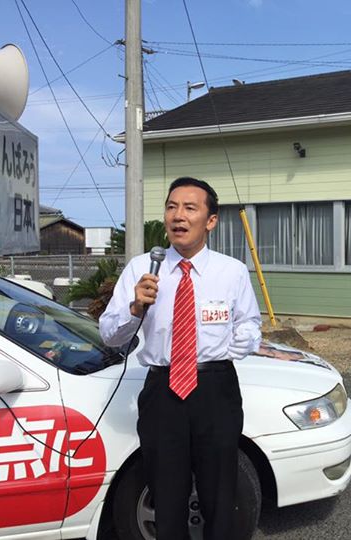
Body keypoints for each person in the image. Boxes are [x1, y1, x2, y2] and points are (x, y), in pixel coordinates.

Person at [99, 177, 261, 540]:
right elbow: (109, 334)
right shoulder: (143, 268)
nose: (178, 216)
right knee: (166, 494)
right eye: (171, 207)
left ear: (211, 220)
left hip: (216, 389)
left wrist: (222, 352)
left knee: (220, 493)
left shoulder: (231, 271)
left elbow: (250, 326)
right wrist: (135, 307)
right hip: (163, 392)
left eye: (190, 208)